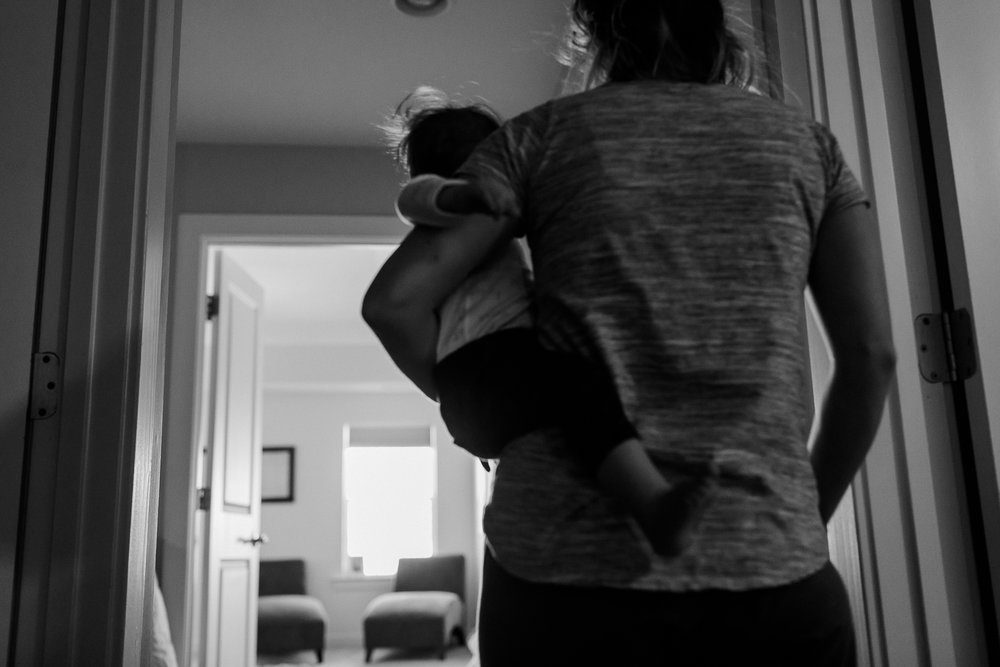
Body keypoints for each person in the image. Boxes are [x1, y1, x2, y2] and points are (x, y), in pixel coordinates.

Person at [370, 0, 897, 663]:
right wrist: (798, 517)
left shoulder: (540, 137)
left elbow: (394, 303)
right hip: (768, 565)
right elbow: (872, 356)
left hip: (556, 578)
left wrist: (483, 393)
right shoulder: (809, 145)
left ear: (591, 36)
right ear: (723, 34)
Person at [364, 87, 716, 559]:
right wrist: (465, 192)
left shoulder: (485, 234)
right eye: (497, 158)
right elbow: (413, 199)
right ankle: (652, 503)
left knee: (577, 397)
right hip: (483, 367)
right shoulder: (447, 216)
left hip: (482, 381)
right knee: (578, 380)